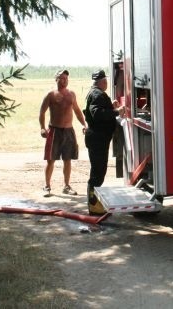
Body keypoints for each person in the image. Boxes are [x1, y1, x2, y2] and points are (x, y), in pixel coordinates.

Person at [39, 69, 86, 197]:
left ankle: (66, 186)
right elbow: (42, 112)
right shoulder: (50, 94)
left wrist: (84, 124)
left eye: (66, 78)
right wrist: (43, 128)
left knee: (67, 159)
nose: (64, 80)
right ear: (56, 79)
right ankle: (47, 186)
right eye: (61, 78)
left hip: (69, 131)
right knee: (51, 160)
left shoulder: (72, 94)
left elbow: (77, 111)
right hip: (54, 131)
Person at [84, 69, 125, 214]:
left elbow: (99, 109)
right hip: (97, 138)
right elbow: (97, 113)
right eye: (105, 81)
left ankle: (94, 203)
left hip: (97, 138)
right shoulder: (97, 94)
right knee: (98, 172)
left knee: (98, 171)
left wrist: (110, 106)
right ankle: (94, 205)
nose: (106, 83)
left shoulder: (94, 92)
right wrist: (116, 111)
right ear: (103, 82)